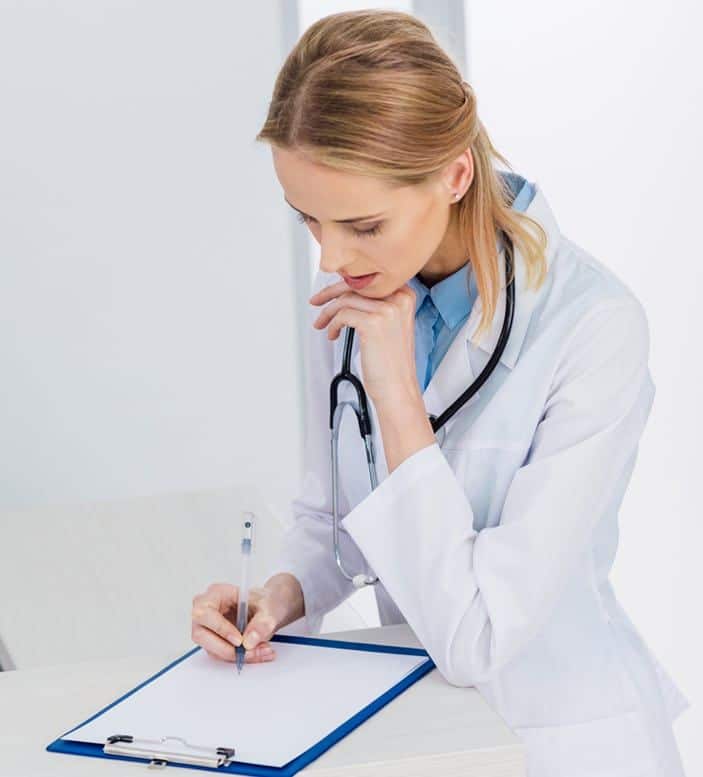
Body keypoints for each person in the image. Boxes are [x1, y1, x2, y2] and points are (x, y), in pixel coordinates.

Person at [190, 9, 690, 776]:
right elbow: (334, 526)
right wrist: (278, 597)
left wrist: (397, 397)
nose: (332, 255)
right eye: (309, 220)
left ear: (455, 175)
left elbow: (477, 636)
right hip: (431, 732)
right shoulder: (357, 296)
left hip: (565, 740)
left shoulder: (595, 328)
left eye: (362, 223)